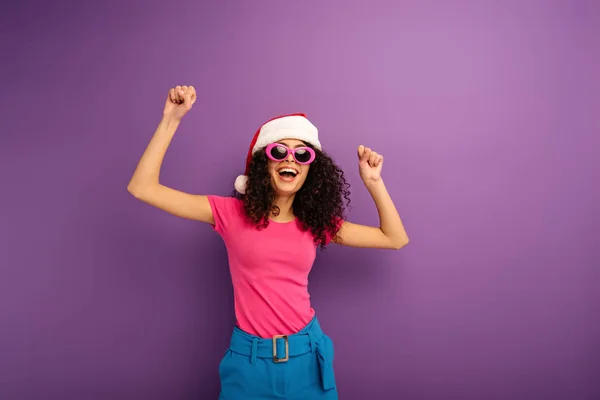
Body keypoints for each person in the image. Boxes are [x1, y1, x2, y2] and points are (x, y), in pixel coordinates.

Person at [127, 85, 409, 399]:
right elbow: (143, 187)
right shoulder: (230, 214)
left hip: (307, 357)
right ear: (265, 163)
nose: (291, 158)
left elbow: (394, 238)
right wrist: (171, 119)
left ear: (311, 170)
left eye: (302, 154)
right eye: (279, 151)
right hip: (249, 365)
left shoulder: (316, 224)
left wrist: (374, 182)